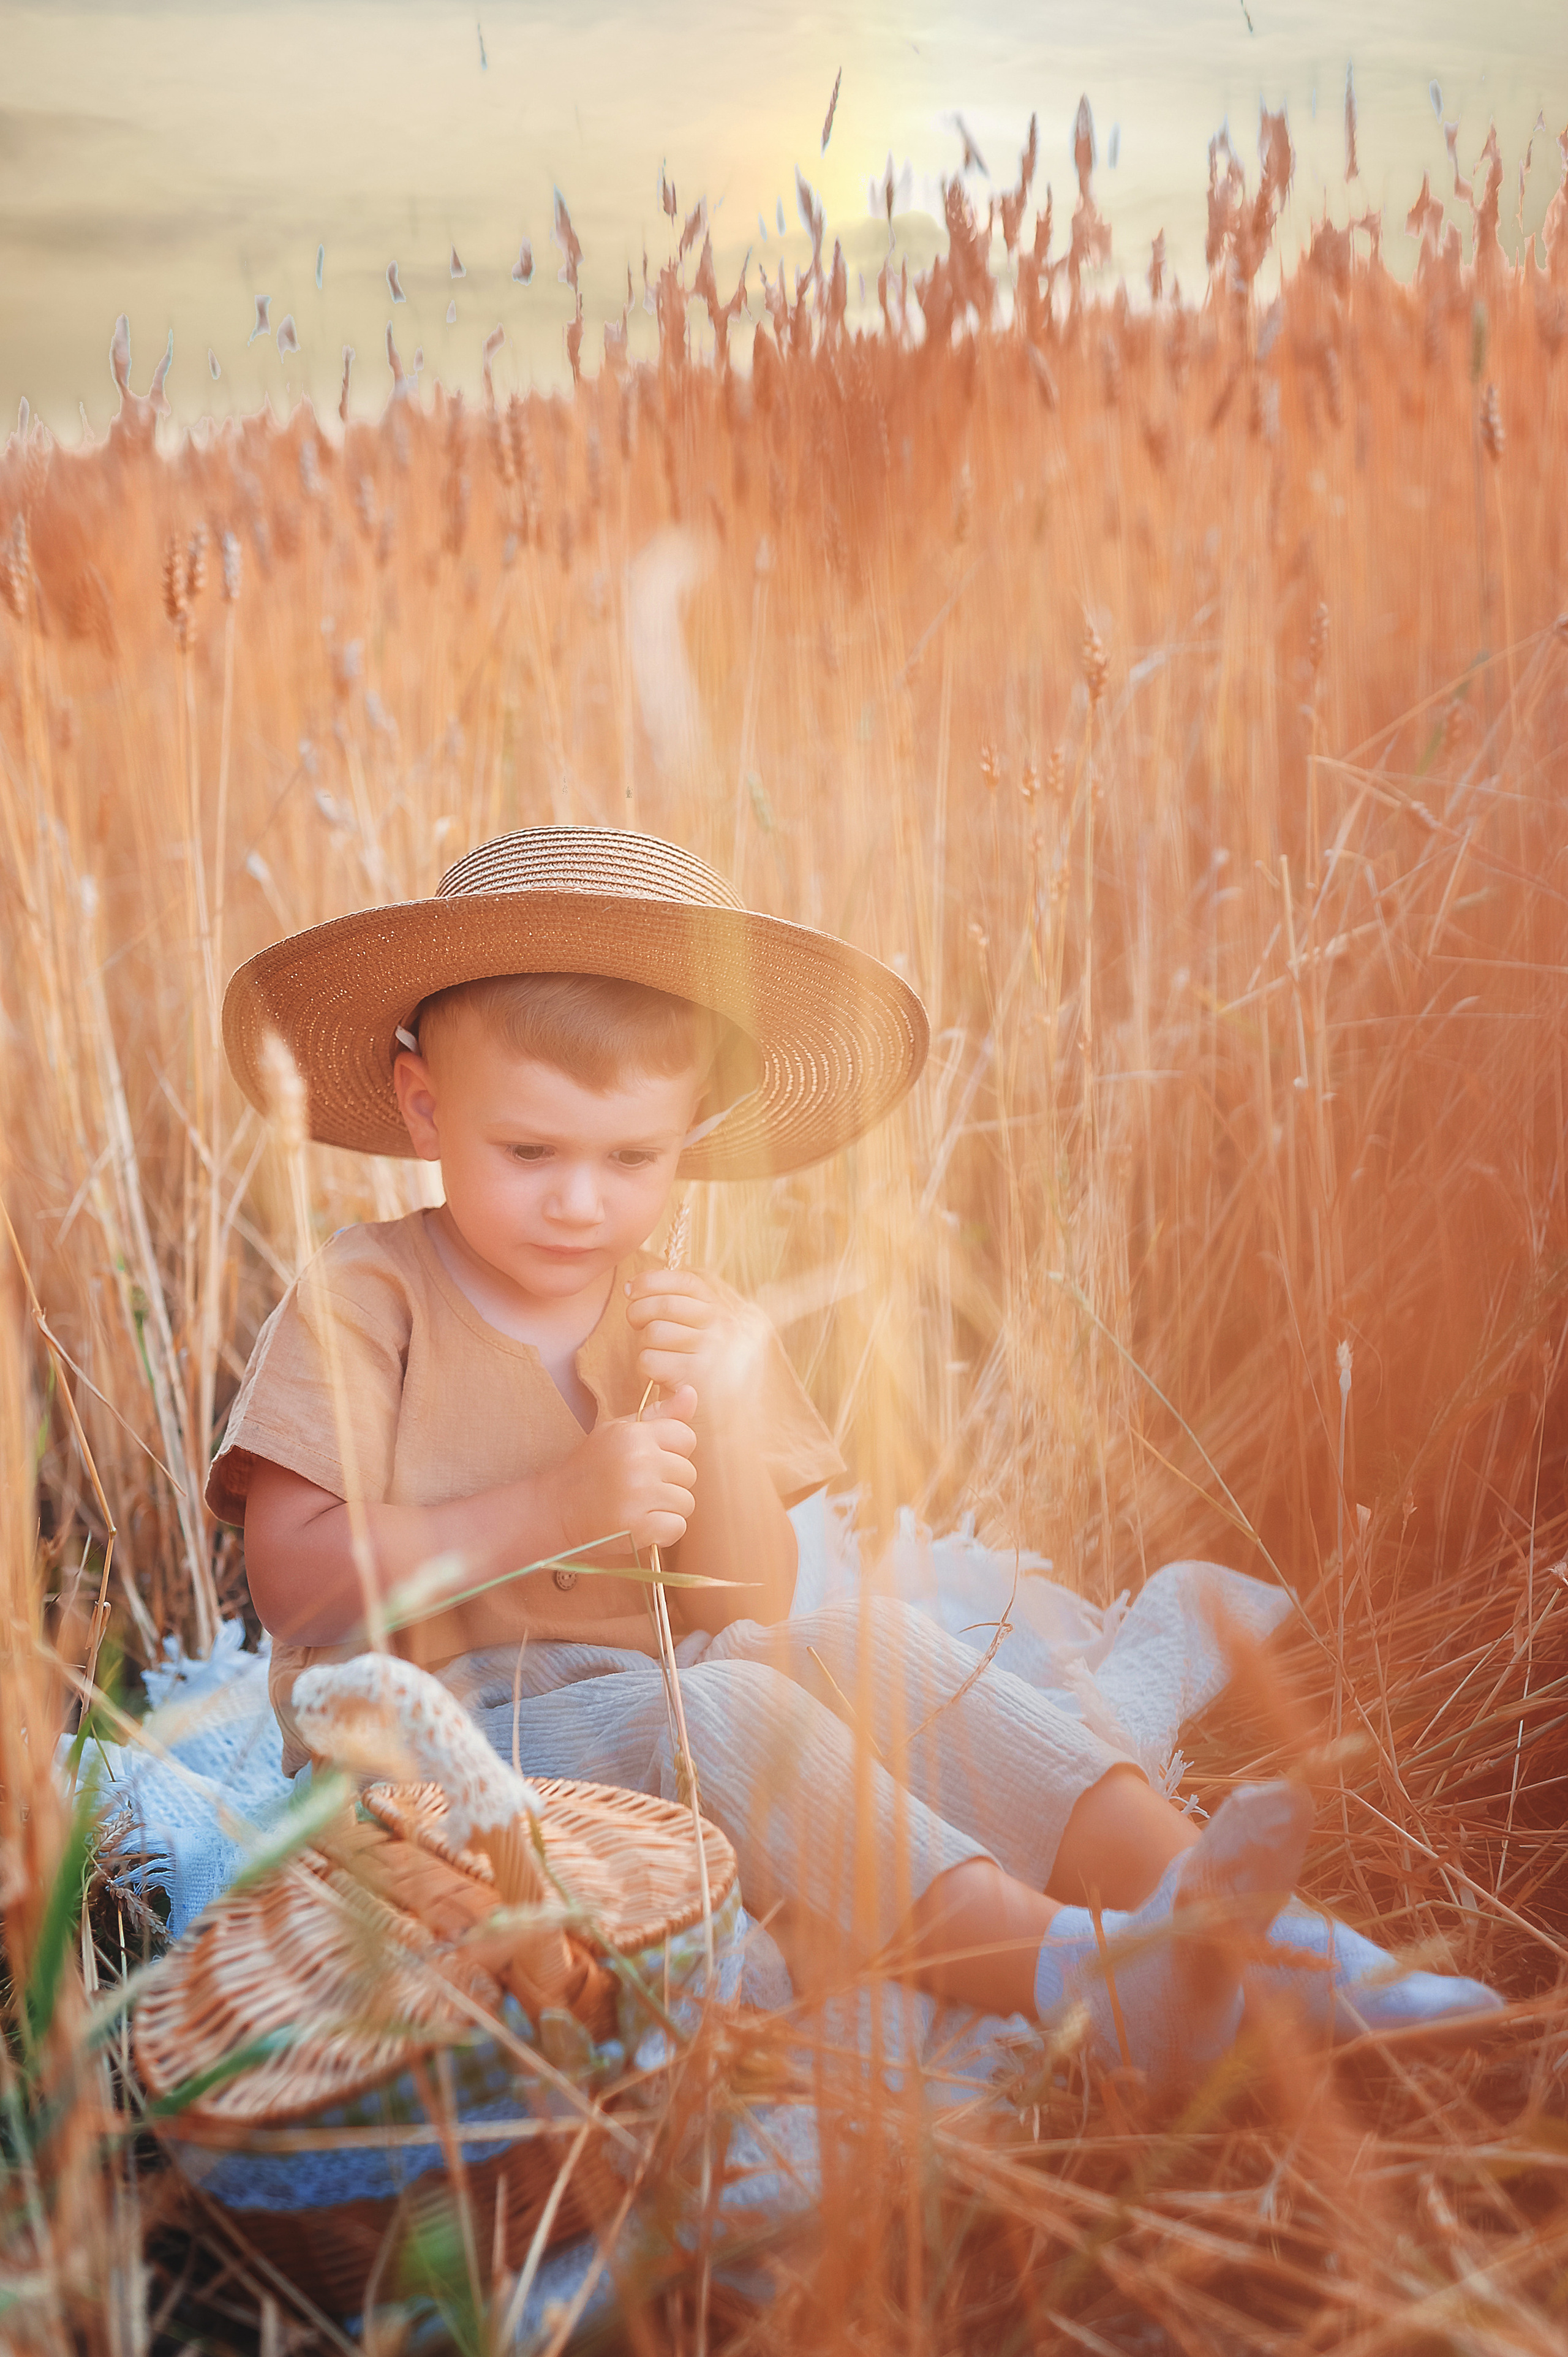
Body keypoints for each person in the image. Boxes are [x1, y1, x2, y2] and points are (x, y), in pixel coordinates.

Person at [210, 828, 1499, 2087]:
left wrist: (722, 1401)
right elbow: (295, 1583)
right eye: (529, 1151)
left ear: (690, 1137)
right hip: (432, 1766)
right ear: (425, 1107)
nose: (580, 1203)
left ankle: (1244, 1929)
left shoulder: (677, 1311)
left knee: (855, 1647)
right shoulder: (367, 1295)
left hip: (641, 1701)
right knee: (731, 1710)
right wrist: (554, 1503)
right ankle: (1083, 1977)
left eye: (632, 1159)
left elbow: (742, 1602)